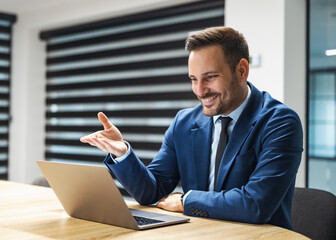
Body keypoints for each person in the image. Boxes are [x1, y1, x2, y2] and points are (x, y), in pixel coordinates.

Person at [80, 26, 303, 230]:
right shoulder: (184, 122)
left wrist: (186, 200)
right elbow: (152, 191)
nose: (200, 90)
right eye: (193, 79)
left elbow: (256, 204)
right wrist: (122, 153)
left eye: (210, 77)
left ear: (242, 70)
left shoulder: (280, 122)